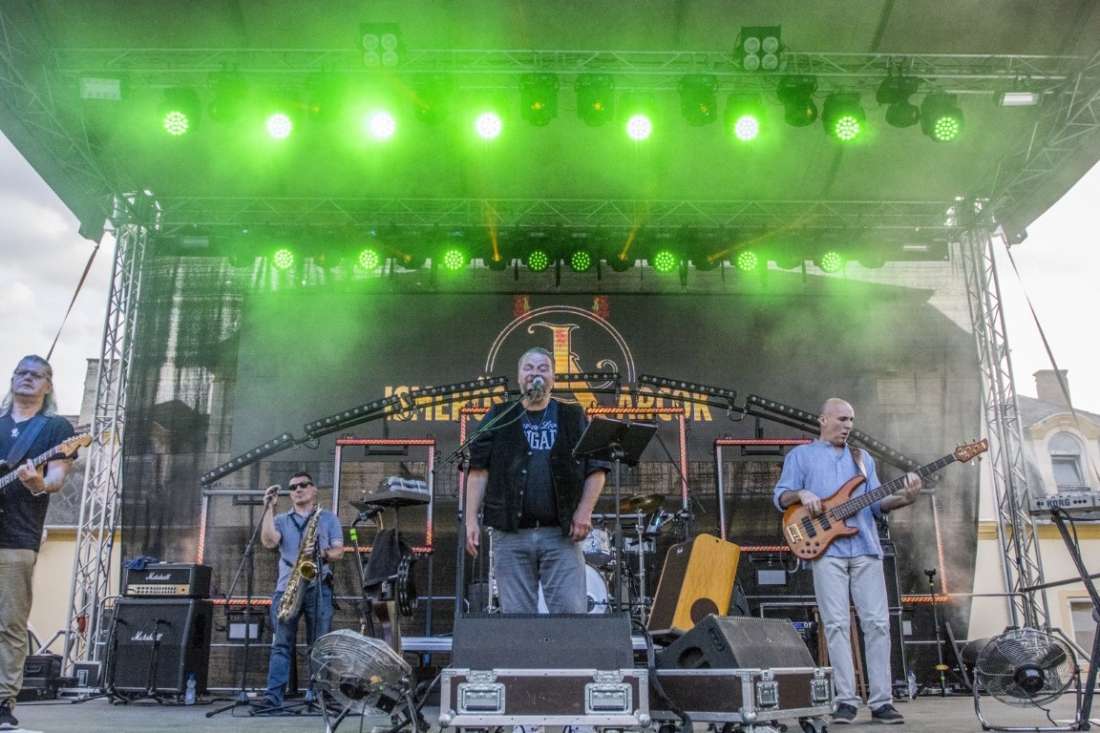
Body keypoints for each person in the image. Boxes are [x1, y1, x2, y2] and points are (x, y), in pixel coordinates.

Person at [773, 398, 920, 726]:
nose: (848, 425)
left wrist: (906, 498)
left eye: (851, 420)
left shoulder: (862, 458)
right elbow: (781, 496)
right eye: (841, 419)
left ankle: (881, 702)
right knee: (836, 625)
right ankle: (845, 701)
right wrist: (802, 494)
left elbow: (878, 502)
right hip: (826, 551)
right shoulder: (801, 456)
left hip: (866, 547)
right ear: (823, 420)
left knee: (878, 624)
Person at [465, 347, 609, 614]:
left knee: (571, 616)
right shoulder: (499, 415)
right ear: (519, 377)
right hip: (511, 535)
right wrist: (471, 519)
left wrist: (584, 510)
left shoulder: (572, 415)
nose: (535, 373)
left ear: (553, 378)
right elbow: (478, 469)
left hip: (561, 534)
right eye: (529, 368)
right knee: (517, 619)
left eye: (543, 368)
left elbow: (597, 467)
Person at [0, 356, 76, 730]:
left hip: (16, 536)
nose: (28, 378)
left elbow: (56, 479)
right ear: (12, 379)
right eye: (23, 372)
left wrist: (37, 483)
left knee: (10, 623)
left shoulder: (56, 428)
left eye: (38, 375)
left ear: (48, 386)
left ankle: (2, 701)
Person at [255, 471, 344, 711]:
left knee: (319, 646)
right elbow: (268, 542)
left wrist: (321, 553)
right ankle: (273, 698)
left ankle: (318, 695)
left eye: (303, 485)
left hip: (319, 588)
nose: (298, 489)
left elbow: (339, 552)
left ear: (314, 490)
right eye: (293, 487)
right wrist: (269, 507)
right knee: (281, 644)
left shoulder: (328, 518)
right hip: (287, 588)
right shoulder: (281, 519)